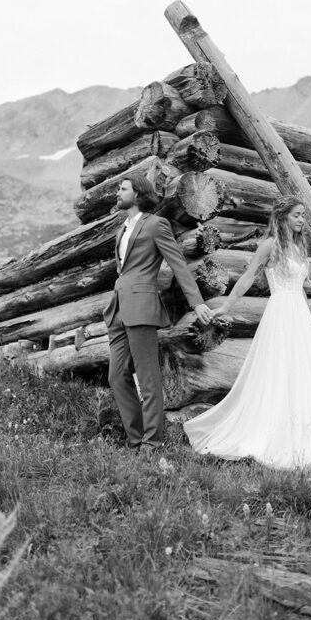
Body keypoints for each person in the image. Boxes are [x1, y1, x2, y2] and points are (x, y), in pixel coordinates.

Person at [183, 196, 311, 468]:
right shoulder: (270, 246)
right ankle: (272, 431)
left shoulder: (299, 246)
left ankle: (304, 430)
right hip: (281, 314)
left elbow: (300, 288)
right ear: (282, 216)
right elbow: (249, 276)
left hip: (299, 316)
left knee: (302, 372)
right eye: (297, 215)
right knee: (278, 369)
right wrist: (227, 305)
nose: (301, 220)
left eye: (303, 215)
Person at [104, 175, 213, 453]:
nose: (117, 192)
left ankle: (152, 443)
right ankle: (135, 437)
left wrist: (196, 302)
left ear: (138, 193)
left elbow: (177, 264)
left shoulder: (156, 225)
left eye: (122, 189)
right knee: (117, 377)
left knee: (148, 377)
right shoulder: (122, 229)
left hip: (141, 307)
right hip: (118, 309)